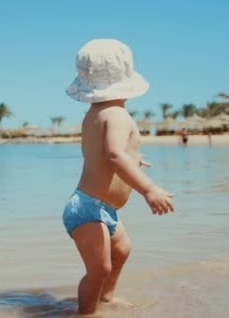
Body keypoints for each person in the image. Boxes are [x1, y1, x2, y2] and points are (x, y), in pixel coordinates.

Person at [62, 39, 175, 315]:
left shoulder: (94, 114)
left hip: (103, 208)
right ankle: (87, 312)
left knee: (122, 249)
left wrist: (133, 159)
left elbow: (102, 154)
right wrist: (148, 188)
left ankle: (106, 298)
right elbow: (114, 155)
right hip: (89, 208)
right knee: (99, 269)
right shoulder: (118, 115)